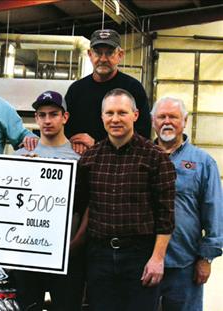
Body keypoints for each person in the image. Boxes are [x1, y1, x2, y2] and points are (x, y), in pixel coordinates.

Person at [76, 88, 176, 311]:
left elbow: (166, 215)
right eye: (109, 113)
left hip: (139, 256)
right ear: (101, 117)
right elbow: (77, 207)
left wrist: (157, 259)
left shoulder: (156, 157)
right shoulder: (90, 159)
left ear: (135, 115)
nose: (115, 119)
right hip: (99, 256)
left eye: (122, 112)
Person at [14, 91, 86, 311]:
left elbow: (87, 207)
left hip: (67, 254)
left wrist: (76, 243)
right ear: (35, 118)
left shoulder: (79, 157)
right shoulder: (21, 155)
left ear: (65, 117)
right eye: (42, 115)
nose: (47, 120)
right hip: (27, 253)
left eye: (53, 114)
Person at [151, 97, 223, 311]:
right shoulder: (142, 157)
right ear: (153, 121)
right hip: (144, 261)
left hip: (185, 263)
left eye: (173, 117)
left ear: (184, 121)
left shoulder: (203, 162)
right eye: (161, 117)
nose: (167, 122)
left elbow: (214, 211)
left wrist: (206, 258)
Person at [64, 29, 151, 154]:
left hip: (121, 162)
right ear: (89, 54)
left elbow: (143, 134)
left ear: (120, 55)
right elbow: (65, 129)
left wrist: (96, 145)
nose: (103, 59)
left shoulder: (133, 88)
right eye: (98, 53)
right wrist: (75, 141)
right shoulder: (76, 90)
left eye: (110, 53)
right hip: (80, 159)